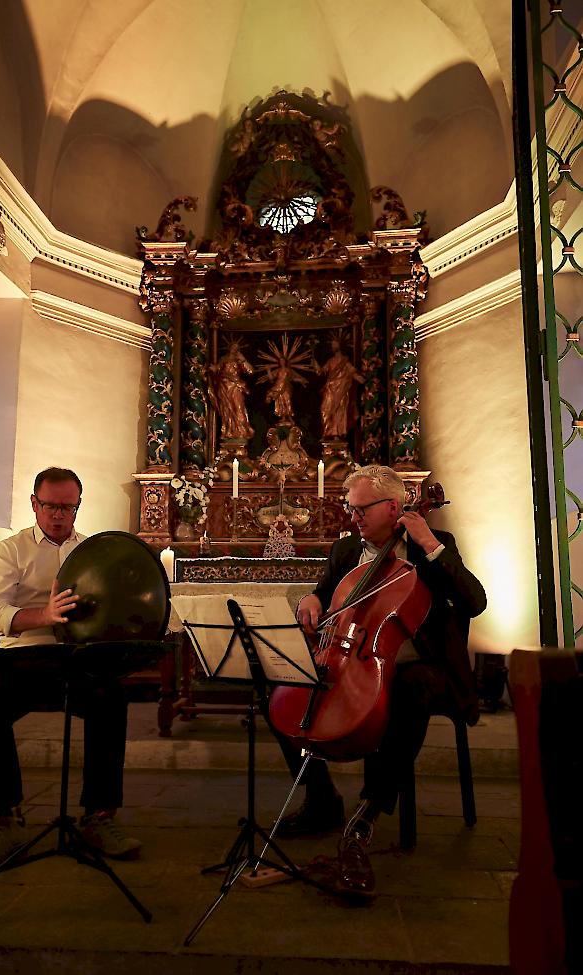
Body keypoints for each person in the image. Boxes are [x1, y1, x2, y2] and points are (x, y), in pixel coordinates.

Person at [274, 465, 486, 892]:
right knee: (282, 693)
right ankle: (321, 799)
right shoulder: (347, 551)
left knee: (411, 687)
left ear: (394, 507)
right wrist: (311, 600)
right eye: (349, 509)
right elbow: (322, 590)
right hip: (355, 658)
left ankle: (367, 813)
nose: (352, 518)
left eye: (360, 509)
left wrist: (426, 542)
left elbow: (474, 601)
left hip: (421, 665)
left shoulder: (436, 546)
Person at [0, 467, 141, 870]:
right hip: (22, 658)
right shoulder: (11, 550)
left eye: (67, 506)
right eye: (50, 506)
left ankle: (98, 817)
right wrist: (45, 614)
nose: (58, 514)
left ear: (78, 507)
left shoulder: (94, 550)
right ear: (34, 504)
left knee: (111, 699)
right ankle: (6, 819)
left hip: (77, 661)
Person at [316, 339, 365, 439]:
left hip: (342, 389)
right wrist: (314, 363)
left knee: (339, 412)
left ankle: (337, 434)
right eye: (332, 344)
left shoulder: (345, 361)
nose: (333, 346)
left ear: (340, 346)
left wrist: (361, 379)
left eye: (335, 344)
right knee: (325, 409)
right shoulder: (330, 361)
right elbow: (321, 372)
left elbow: (352, 372)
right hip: (330, 389)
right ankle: (327, 431)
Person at [208, 342, 254, 440]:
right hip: (224, 386)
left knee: (238, 407)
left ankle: (241, 430)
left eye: (236, 348)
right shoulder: (223, 359)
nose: (233, 349)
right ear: (229, 348)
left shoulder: (239, 359)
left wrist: (243, 360)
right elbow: (217, 368)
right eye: (232, 347)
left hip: (235, 386)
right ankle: (229, 430)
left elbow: (250, 371)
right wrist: (213, 368)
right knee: (226, 409)